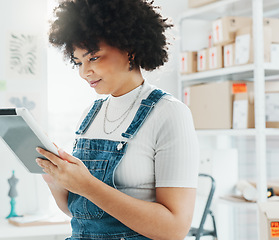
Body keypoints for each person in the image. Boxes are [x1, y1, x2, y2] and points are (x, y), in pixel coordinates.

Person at [36, 0, 199, 239]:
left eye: (93, 58)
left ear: (128, 48)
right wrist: (54, 179)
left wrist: (88, 185)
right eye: (78, 62)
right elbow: (81, 213)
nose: (84, 72)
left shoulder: (170, 113)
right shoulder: (90, 115)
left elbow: (174, 229)